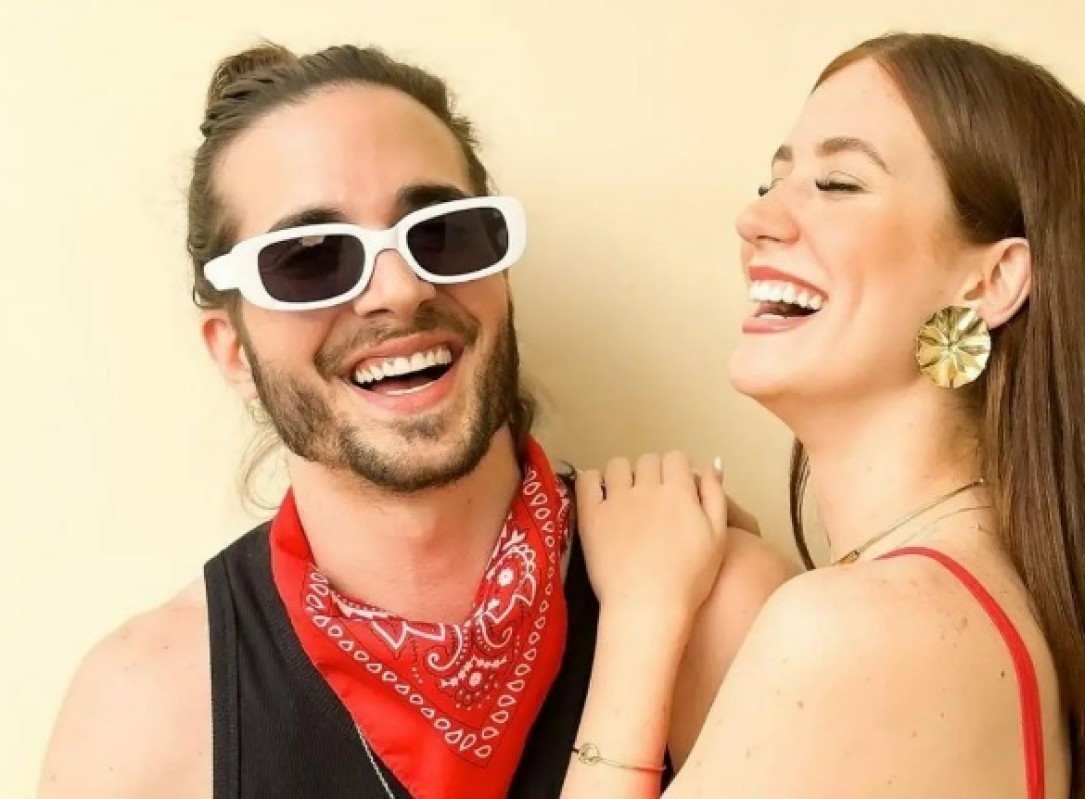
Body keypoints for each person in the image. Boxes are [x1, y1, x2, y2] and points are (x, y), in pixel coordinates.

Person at [38, 43, 793, 799]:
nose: (400, 289)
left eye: (441, 233)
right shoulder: (144, 715)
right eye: (309, 258)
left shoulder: (719, 609)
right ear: (234, 352)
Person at [563, 33, 1085, 798]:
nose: (756, 217)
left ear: (991, 281)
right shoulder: (978, 603)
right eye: (772, 181)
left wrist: (640, 614)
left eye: (837, 184)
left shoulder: (856, 632)